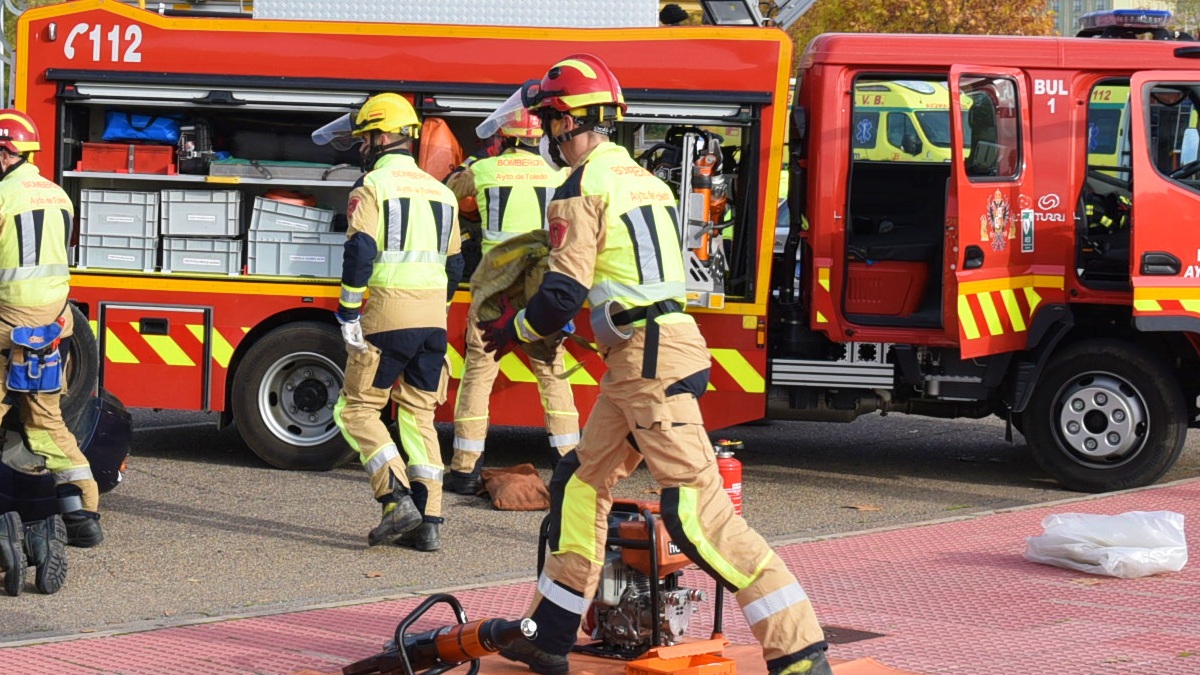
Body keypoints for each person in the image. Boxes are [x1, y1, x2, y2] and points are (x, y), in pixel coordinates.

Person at [480, 56, 831, 675]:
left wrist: (514, 330)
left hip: (648, 360)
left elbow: (562, 293)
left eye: (549, 120)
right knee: (579, 483)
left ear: (567, 122)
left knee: (696, 513)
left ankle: (799, 649)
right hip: (648, 353)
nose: (547, 134)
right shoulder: (643, 179)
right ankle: (549, 635)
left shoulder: (581, 187)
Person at [317, 93, 463, 552]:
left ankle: (395, 497)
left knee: (356, 410)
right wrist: (437, 307)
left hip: (387, 314)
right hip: (433, 319)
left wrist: (348, 312)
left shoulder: (372, 187)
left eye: (365, 138)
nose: (362, 147)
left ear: (382, 138)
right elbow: (456, 265)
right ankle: (429, 520)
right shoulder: (443, 191)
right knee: (419, 415)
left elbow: (360, 252)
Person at [443, 111, 579, 495]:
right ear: (539, 139)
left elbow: (447, 191)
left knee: (479, 375)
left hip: (496, 287)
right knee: (552, 373)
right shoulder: (560, 175)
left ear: (504, 138)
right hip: (541, 286)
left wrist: (472, 161)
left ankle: (465, 470)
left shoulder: (485, 169)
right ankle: (567, 463)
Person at [0, 109, 98, 582]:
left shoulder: (2, 196)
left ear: (5, 153)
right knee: (46, 420)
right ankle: (84, 514)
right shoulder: (59, 194)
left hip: (9, 322)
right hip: (54, 322)